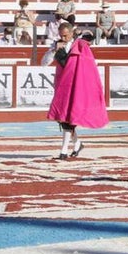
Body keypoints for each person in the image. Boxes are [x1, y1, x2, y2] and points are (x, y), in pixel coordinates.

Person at [45, 21, 107, 159]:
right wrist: (54, 50)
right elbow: (44, 62)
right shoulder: (56, 45)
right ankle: (77, 144)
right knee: (63, 117)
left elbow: (90, 39)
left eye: (66, 36)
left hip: (77, 84)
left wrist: (83, 35)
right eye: (61, 36)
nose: (63, 38)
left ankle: (63, 151)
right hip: (63, 85)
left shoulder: (79, 44)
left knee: (68, 118)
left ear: (71, 33)